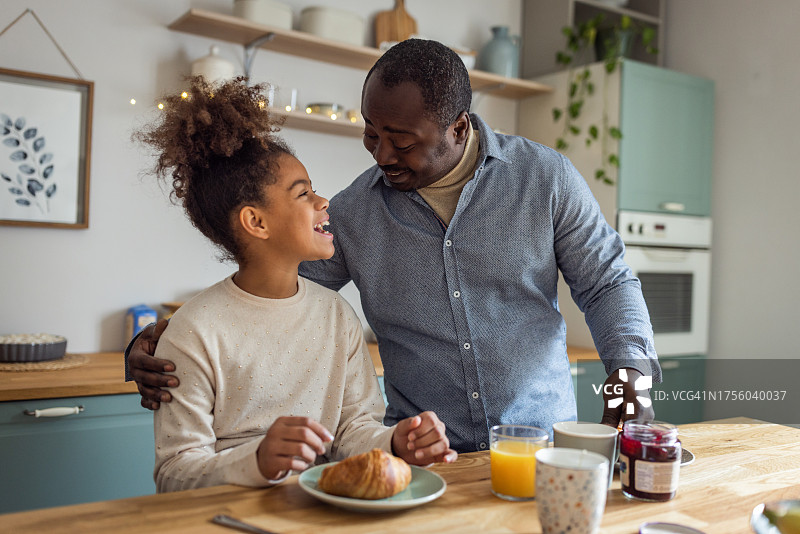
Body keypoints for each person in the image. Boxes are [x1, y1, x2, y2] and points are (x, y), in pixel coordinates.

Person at [128, 39, 660, 453]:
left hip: (535, 443)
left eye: (402, 140)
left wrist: (629, 378)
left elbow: (608, 281)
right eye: (370, 133)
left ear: (457, 126)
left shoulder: (545, 179)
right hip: (419, 456)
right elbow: (270, 290)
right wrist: (167, 342)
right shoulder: (355, 212)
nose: (381, 153)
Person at [132, 76, 456, 493]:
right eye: (303, 194)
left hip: (322, 513)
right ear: (256, 222)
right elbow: (175, 473)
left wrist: (395, 441)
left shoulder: (337, 315)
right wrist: (259, 461)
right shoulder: (195, 330)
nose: (324, 202)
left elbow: (353, 431)